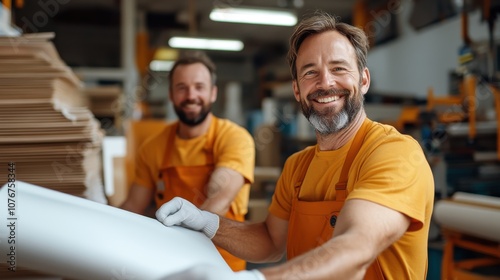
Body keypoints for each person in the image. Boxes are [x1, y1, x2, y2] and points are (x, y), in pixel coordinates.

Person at [156, 11, 434, 280]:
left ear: (363, 80)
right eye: (310, 72)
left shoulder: (395, 153)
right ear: (297, 90)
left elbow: (355, 249)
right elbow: (270, 241)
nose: (325, 83)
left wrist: (256, 279)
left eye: (338, 68)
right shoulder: (297, 167)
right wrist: (207, 222)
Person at [120, 52, 255, 272]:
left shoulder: (233, 138)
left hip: (223, 266)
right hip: (172, 263)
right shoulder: (154, 146)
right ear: (171, 95)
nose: (191, 95)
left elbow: (219, 196)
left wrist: (189, 235)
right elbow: (133, 207)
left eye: (199, 87)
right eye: (182, 87)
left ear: (213, 93)